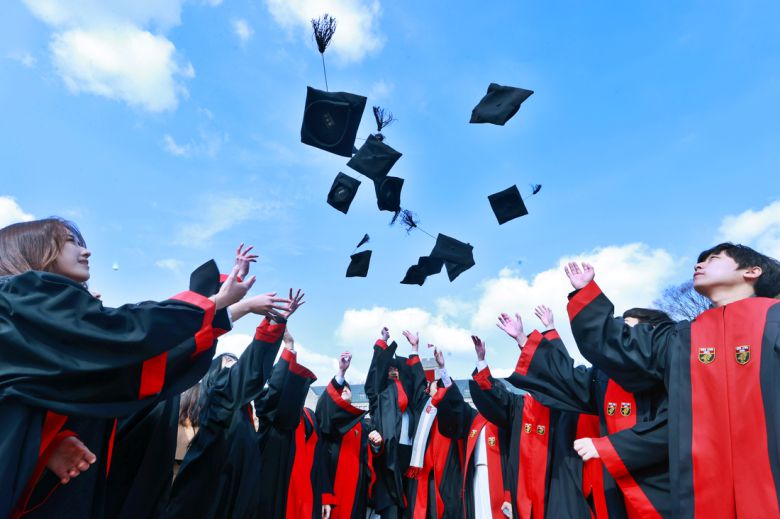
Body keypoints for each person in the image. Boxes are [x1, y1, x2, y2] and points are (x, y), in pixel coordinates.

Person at [0, 218, 253, 518]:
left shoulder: (30, 320)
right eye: (71, 241)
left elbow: (128, 369)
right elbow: (126, 333)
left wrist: (46, 444)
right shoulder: (20, 295)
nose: (86, 252)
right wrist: (212, 303)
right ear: (31, 248)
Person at [563, 243, 780, 518]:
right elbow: (619, 345)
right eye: (698, 262)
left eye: (713, 259)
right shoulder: (680, 338)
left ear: (752, 271)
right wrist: (586, 294)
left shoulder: (775, 320)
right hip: (701, 488)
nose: (698, 266)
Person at [500, 305, 672, 519]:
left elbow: (672, 429)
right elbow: (566, 377)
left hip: (658, 488)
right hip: (609, 481)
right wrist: (523, 340)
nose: (619, 336)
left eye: (627, 329)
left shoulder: (673, 370)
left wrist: (609, 447)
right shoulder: (603, 378)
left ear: (653, 332)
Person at [469, 335, 592, 518]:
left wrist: (526, 337)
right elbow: (494, 396)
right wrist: (481, 361)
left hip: (557, 489)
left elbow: (566, 373)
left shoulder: (566, 407)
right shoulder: (520, 406)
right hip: (523, 494)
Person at [428, 345, 511, 519]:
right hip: (475, 478)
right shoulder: (474, 418)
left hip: (500, 480)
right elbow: (456, 402)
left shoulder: (506, 421)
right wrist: (443, 369)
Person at [256, 327, 330, 519]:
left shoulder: (309, 417)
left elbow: (319, 459)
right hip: (275, 490)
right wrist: (290, 348)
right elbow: (277, 393)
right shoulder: (268, 411)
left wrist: (324, 496)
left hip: (305, 490)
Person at [365, 328, 428, 518]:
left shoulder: (413, 407)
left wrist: (414, 348)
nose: (394, 372)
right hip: (388, 461)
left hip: (409, 459)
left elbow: (419, 385)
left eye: (397, 370)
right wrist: (381, 344)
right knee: (391, 511)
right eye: (390, 370)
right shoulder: (381, 398)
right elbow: (376, 375)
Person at [315, 351, 382, 519]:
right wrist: (341, 373)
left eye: (347, 389)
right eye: (340, 389)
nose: (344, 390)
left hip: (356, 491)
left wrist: (376, 444)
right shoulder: (330, 420)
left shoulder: (364, 425)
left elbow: (372, 457)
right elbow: (325, 407)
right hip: (331, 487)